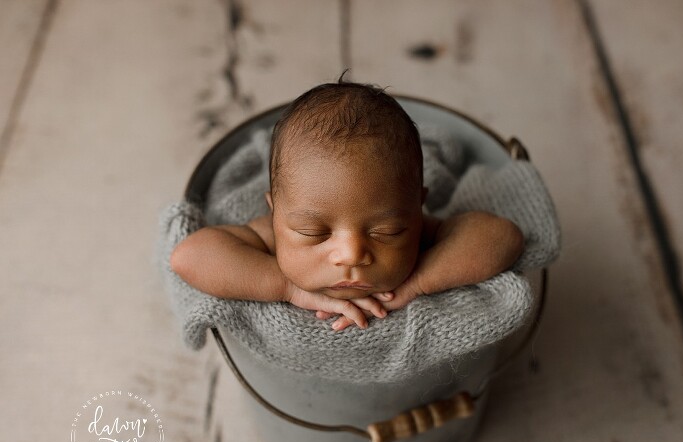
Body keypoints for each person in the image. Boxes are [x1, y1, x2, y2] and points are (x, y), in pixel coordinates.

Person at [171, 78, 525, 331]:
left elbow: (502, 237)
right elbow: (189, 256)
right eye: (313, 232)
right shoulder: (269, 238)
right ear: (275, 212)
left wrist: (419, 282)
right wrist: (287, 287)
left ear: (417, 210)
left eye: (386, 231)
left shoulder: (421, 238)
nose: (352, 254)